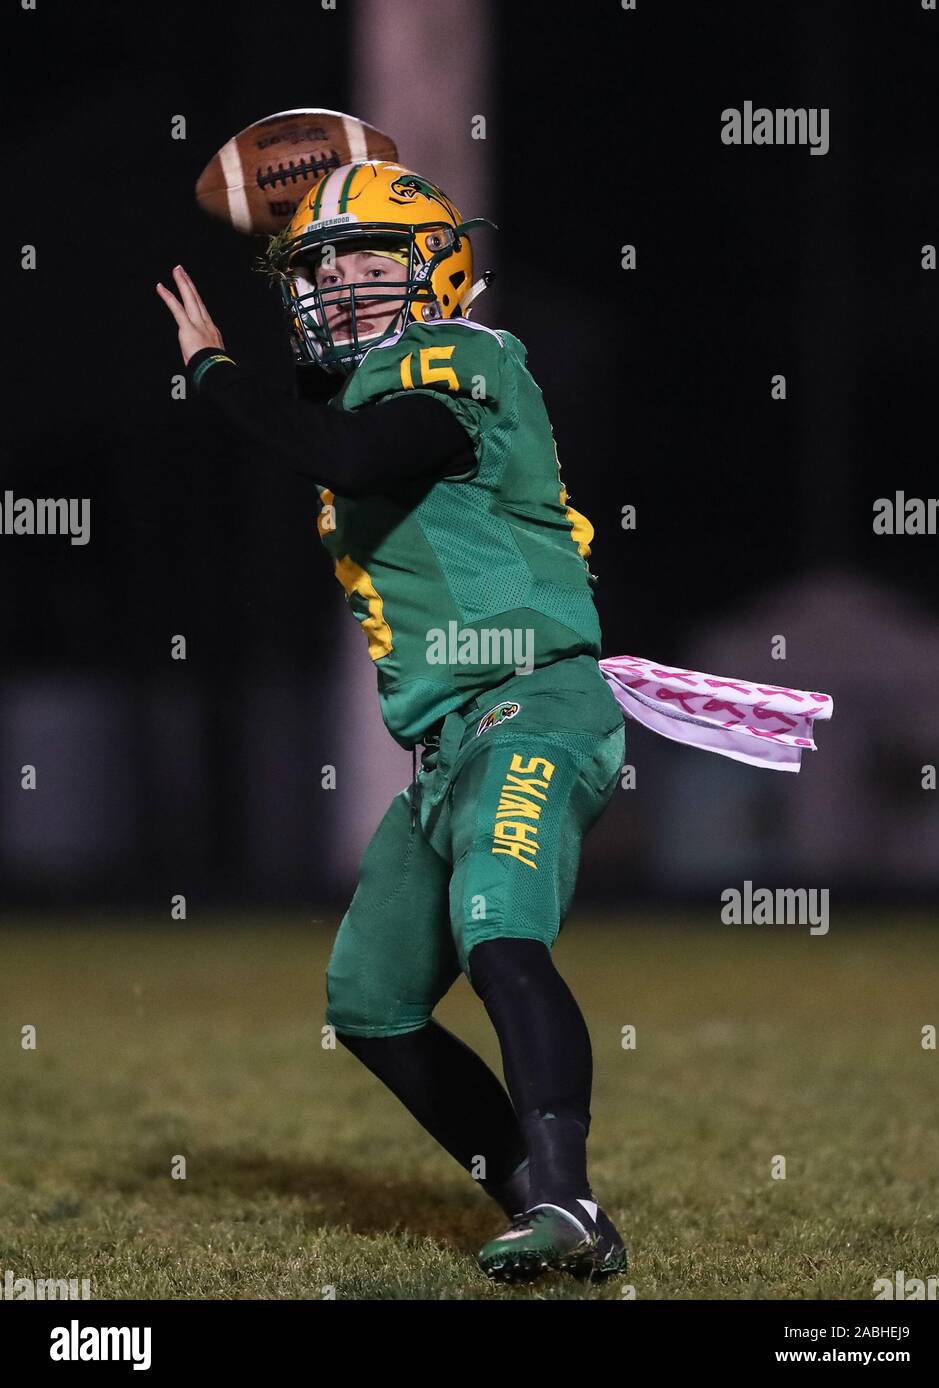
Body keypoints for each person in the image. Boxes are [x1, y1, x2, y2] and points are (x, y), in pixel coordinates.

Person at [158, 159, 629, 1283]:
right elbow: (340, 430)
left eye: (372, 263)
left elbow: (352, 452)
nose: (344, 286)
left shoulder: (463, 357)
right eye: (325, 269)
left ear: (439, 270)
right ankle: (549, 1213)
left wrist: (215, 371)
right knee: (369, 1003)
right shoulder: (373, 390)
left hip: (530, 702)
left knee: (498, 933)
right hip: (444, 742)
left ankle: (569, 1196)